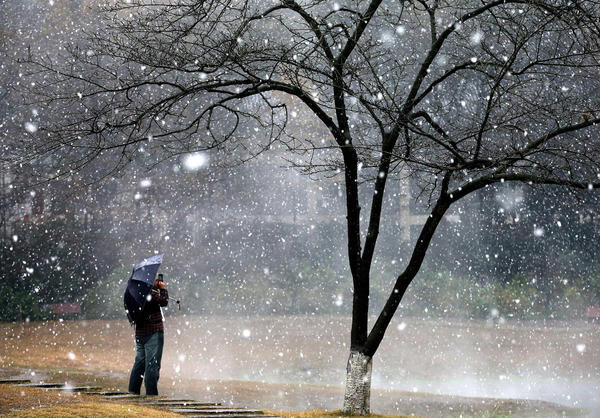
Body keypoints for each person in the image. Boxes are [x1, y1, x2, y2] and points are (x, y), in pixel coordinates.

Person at [128, 275, 168, 395]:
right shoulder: (149, 293)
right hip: (153, 333)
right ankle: (151, 395)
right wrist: (163, 289)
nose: (157, 281)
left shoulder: (135, 295)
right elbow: (164, 301)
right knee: (152, 366)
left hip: (140, 334)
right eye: (155, 280)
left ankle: (133, 392)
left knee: (139, 365)